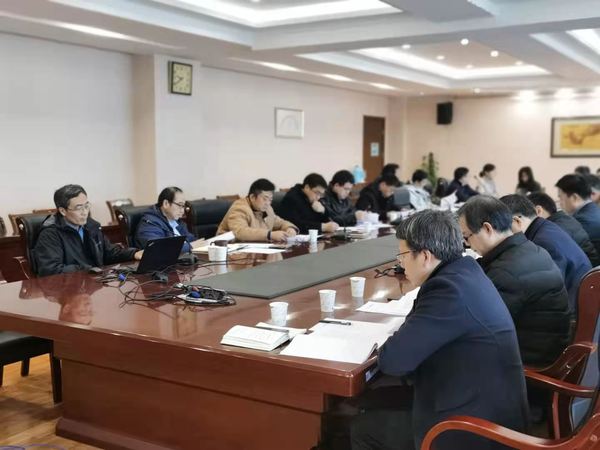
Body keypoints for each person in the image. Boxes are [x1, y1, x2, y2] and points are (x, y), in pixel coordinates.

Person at [350, 210, 528, 450]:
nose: (400, 263)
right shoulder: (465, 271)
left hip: (474, 430)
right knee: (372, 401)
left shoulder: (447, 290)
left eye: (403, 255)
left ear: (425, 256)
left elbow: (394, 361)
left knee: (364, 428)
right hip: (486, 406)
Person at [457, 196, 571, 367]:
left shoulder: (507, 272)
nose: (466, 244)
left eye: (467, 237)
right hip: (541, 346)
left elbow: (477, 326)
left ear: (487, 228)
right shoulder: (526, 248)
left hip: (530, 363)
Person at [500, 194, 591, 311]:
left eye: (503, 227)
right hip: (578, 299)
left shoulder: (542, 241)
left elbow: (549, 289)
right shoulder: (545, 227)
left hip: (573, 308)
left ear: (517, 221)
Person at [34, 184, 142, 277]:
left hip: (95, 283)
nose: (85, 212)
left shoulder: (91, 226)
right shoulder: (50, 234)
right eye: (79, 208)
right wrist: (89, 269)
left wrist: (133, 253)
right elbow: (51, 270)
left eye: (86, 206)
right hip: (70, 288)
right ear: (63, 211)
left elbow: (109, 253)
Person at [528, 192, 600, 267]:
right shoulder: (565, 219)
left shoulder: (551, 231)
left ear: (538, 211)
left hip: (587, 271)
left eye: (527, 215)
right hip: (590, 266)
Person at [216, 178, 298, 242]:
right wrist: (269, 235)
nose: (268, 203)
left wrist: (290, 228)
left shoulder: (268, 209)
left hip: (256, 250)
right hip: (230, 251)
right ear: (252, 197)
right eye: (265, 199)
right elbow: (240, 232)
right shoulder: (239, 208)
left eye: (270, 199)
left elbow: (279, 222)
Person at [135, 187, 204, 253]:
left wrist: (202, 243)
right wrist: (190, 246)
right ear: (166, 204)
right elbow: (157, 248)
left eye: (183, 206)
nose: (182, 211)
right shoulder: (150, 223)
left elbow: (191, 239)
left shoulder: (176, 220)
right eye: (180, 205)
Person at [556, 174, 600, 256]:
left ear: (574, 197)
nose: (559, 203)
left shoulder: (581, 220)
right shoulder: (594, 210)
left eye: (560, 198)